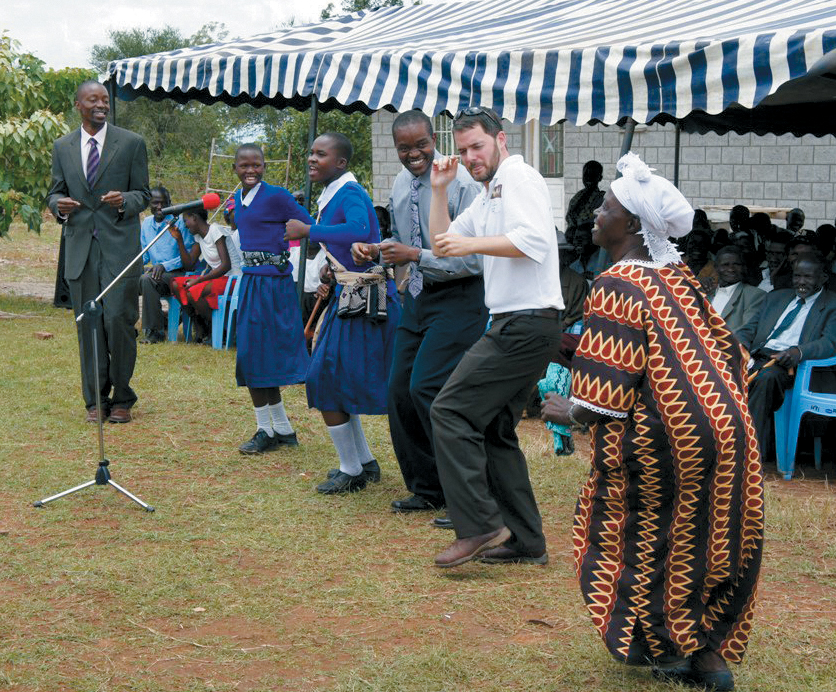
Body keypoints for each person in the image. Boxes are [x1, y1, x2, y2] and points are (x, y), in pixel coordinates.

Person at [542, 153, 764, 692]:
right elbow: (736, 355)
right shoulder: (679, 277)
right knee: (711, 536)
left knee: (640, 537)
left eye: (608, 206)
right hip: (730, 429)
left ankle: (669, 648)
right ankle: (708, 656)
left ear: (635, 225)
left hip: (667, 437)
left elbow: (605, 396)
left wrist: (565, 411)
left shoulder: (617, 284)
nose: (596, 212)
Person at [427, 107, 563, 568]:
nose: (469, 157)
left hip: (526, 322)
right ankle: (527, 541)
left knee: (449, 410)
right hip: (515, 321)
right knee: (494, 430)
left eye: (477, 147)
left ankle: (481, 523)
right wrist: (439, 190)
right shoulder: (488, 194)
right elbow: (443, 242)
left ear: (500, 140)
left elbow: (535, 241)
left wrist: (472, 245)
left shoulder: (518, 177)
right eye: (463, 150)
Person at [351, 110, 485, 517]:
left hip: (461, 295)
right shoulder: (399, 182)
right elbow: (406, 239)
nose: (414, 154)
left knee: (428, 388)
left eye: (421, 144)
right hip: (419, 295)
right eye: (404, 148)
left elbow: (473, 260)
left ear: (434, 137)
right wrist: (378, 249)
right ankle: (427, 487)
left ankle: (463, 492)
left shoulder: (460, 181)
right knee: (399, 390)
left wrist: (414, 255)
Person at [285, 132, 401, 494]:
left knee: (324, 379)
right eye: (311, 152)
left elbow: (360, 230)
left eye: (321, 154)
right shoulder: (336, 191)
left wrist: (308, 230)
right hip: (348, 294)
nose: (311, 159)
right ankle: (362, 462)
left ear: (341, 163)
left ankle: (351, 468)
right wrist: (331, 268)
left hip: (366, 300)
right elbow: (349, 244)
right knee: (330, 380)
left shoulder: (350, 192)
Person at [46, 80, 150, 424]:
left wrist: (125, 201)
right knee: (88, 323)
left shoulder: (131, 143)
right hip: (80, 251)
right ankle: (95, 401)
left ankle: (122, 397)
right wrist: (58, 206)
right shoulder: (62, 147)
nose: (101, 104)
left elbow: (144, 195)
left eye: (105, 99)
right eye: (93, 99)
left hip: (120, 249)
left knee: (119, 321)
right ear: (78, 104)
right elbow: (54, 193)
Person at [232, 144, 314, 455]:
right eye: (244, 166)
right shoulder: (237, 200)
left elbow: (307, 225)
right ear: (236, 168)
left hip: (274, 284)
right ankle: (281, 429)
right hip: (251, 282)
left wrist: (284, 246)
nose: (250, 171)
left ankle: (266, 430)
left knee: (260, 356)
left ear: (265, 166)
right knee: (254, 355)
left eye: (257, 165)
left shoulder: (277, 195)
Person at [738, 254, 836, 465]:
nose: (801, 282)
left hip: (792, 366)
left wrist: (797, 352)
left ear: (823, 278)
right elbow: (749, 329)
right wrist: (740, 347)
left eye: (808, 277)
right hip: (757, 356)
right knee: (718, 371)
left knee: (765, 379)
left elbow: (829, 343)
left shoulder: (832, 304)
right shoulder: (776, 297)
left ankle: (750, 456)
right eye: (797, 276)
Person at [168, 207, 242, 342]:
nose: (185, 225)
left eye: (186, 220)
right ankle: (199, 323)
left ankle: (220, 329)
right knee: (175, 284)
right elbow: (189, 264)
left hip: (232, 278)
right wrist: (179, 240)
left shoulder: (215, 230)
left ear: (195, 218)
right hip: (217, 278)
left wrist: (199, 280)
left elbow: (226, 265)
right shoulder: (198, 236)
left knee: (193, 290)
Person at [139, 186, 194, 344]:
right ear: (149, 204)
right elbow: (145, 254)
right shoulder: (147, 223)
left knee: (146, 280)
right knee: (128, 278)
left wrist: (164, 265)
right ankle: (126, 325)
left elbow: (188, 255)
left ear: (170, 203)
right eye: (155, 203)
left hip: (178, 273)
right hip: (157, 274)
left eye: (164, 203)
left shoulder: (179, 222)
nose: (160, 207)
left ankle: (154, 333)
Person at [707, 245, 766, 335]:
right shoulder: (706, 292)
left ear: (744, 267)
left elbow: (745, 332)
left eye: (737, 264)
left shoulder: (754, 295)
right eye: (725, 265)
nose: (731, 269)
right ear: (716, 268)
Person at [565, 160, 605, 242]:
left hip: (589, 243)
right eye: (586, 175)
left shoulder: (602, 199)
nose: (588, 178)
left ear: (600, 178)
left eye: (593, 175)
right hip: (571, 241)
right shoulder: (577, 197)